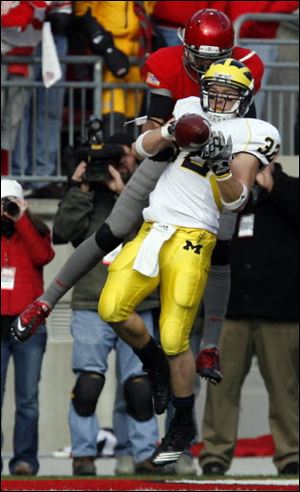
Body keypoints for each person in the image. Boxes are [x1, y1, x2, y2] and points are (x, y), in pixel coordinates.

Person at [12, 59, 281, 467]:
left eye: (231, 93)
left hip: (195, 235)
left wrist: (222, 163)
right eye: (217, 89)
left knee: (175, 337)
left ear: (245, 99)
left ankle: (181, 424)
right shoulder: (188, 104)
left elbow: (235, 199)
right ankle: (154, 363)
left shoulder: (253, 132)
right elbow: (140, 148)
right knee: (111, 308)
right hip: (154, 227)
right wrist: (172, 130)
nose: (221, 98)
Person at [141, 7, 264, 384]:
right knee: (118, 228)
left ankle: (209, 345)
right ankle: (47, 302)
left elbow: (247, 124)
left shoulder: (248, 65)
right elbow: (152, 130)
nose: (202, 68)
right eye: (198, 57)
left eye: (215, 60)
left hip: (222, 152)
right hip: (173, 149)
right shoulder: (165, 64)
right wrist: (171, 134)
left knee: (222, 244)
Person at [51, 133, 160, 476]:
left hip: (135, 302)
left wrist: (121, 193)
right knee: (88, 383)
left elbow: (153, 234)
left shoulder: (145, 190)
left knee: (140, 385)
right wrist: (80, 188)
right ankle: (83, 454)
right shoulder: (82, 193)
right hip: (90, 303)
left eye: (120, 158)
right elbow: (63, 231)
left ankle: (144, 453)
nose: (112, 167)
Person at [198, 161, 299, 476]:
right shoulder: (226, 188)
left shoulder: (290, 187)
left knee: (286, 389)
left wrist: (274, 188)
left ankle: (291, 454)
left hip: (281, 311)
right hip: (229, 310)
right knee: (220, 389)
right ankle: (215, 453)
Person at [1, 179, 55, 476]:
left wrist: (21, 220)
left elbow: (43, 256)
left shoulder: (36, 230)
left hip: (28, 326)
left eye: (9, 203)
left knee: (28, 400)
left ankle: (25, 461)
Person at [1, 1, 72, 176]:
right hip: (7, 51)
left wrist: (59, 16)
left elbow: (63, 10)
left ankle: (4, 178)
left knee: (12, 121)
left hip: (26, 55)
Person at [73, 1, 163, 138]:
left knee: (134, 110)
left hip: (137, 50)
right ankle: (113, 151)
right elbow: (84, 12)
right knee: (114, 104)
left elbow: (149, 10)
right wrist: (104, 45)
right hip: (110, 49)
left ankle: (131, 155)